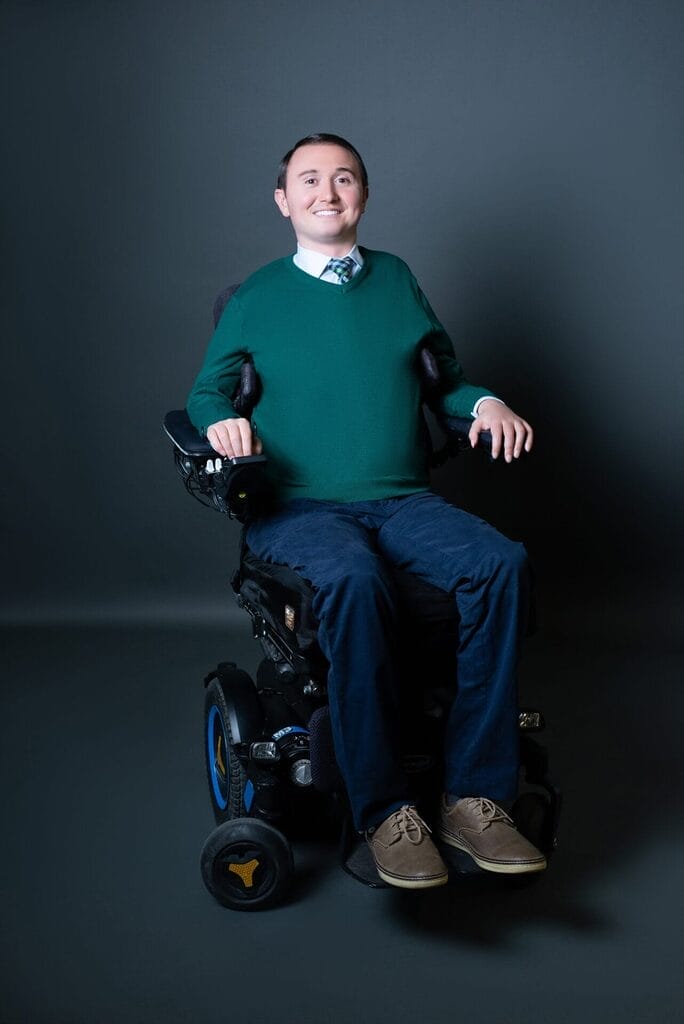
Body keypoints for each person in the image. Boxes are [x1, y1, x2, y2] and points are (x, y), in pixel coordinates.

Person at [187, 133, 546, 889]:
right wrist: (222, 421)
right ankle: (383, 811)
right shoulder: (257, 296)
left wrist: (484, 401)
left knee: (500, 564)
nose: (328, 191)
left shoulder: (398, 281)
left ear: (364, 195)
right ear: (284, 200)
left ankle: (474, 795)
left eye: (343, 178)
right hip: (298, 509)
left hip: (399, 501)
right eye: (309, 180)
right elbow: (206, 394)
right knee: (352, 581)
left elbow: (442, 379)